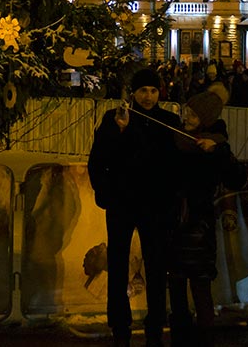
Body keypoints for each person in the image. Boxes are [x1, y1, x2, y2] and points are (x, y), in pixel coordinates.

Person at [88, 67, 181, 347]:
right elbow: (100, 159)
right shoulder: (115, 118)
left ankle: (155, 324)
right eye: (143, 91)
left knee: (156, 266)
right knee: (117, 265)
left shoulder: (168, 121)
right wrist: (104, 193)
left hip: (155, 206)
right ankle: (120, 325)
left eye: (153, 91)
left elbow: (173, 165)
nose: (148, 97)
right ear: (133, 93)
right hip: (123, 204)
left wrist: (172, 200)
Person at [166, 83, 243, 347]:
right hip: (174, 223)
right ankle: (180, 334)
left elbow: (236, 179)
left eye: (194, 115)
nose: (187, 117)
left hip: (199, 225)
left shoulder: (214, 147)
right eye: (188, 111)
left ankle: (204, 336)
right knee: (175, 284)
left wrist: (219, 153)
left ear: (206, 120)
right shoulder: (175, 139)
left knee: (200, 286)